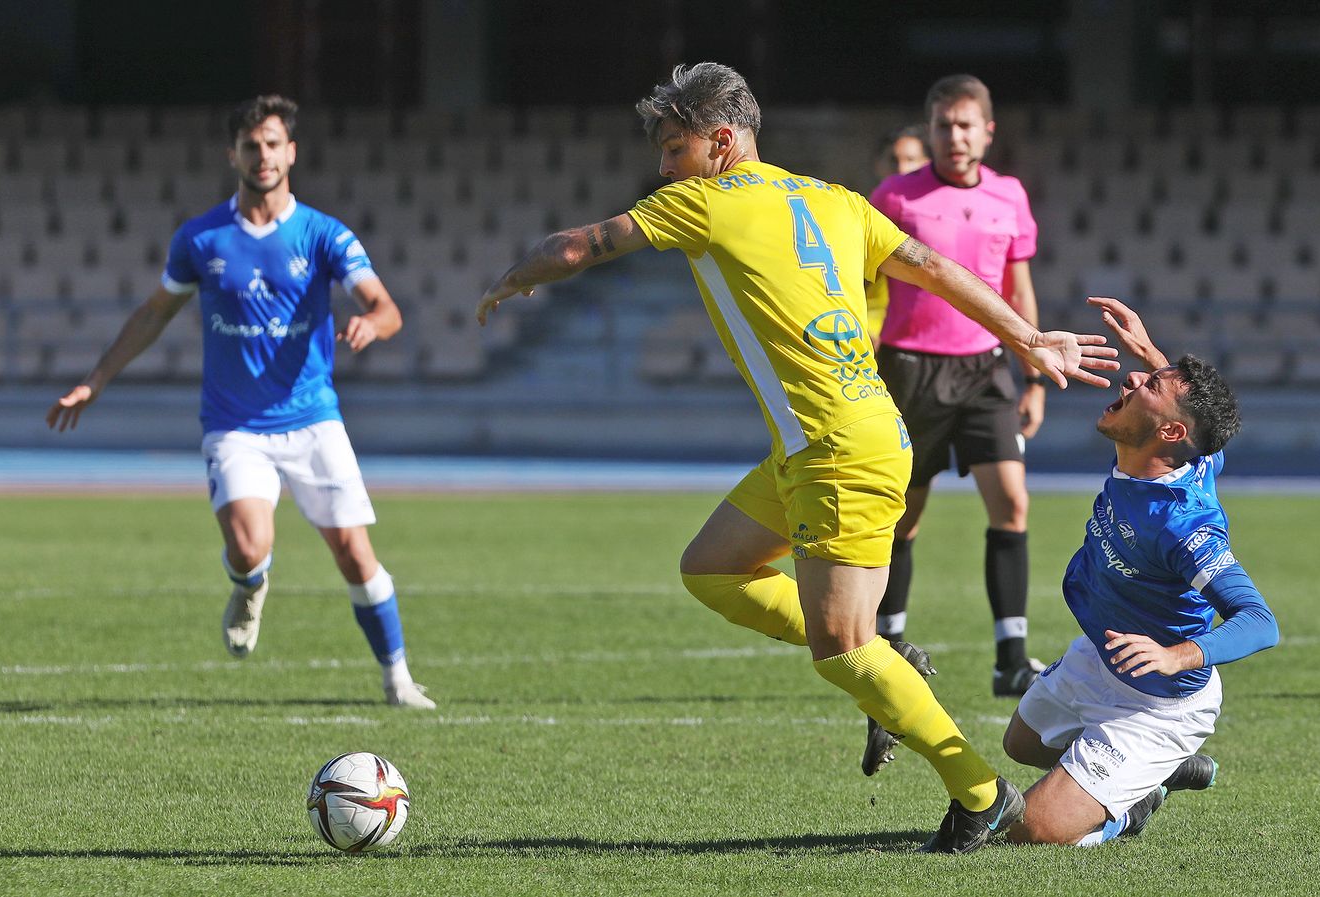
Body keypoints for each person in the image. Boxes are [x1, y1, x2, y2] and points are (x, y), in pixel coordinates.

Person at [476, 62, 1119, 853]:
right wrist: (1026, 336)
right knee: (711, 569)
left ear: (722, 142)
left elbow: (581, 246)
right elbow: (936, 269)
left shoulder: (704, 201)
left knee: (841, 648)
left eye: (674, 149)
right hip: (828, 439)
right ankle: (889, 660)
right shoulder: (835, 200)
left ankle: (980, 793)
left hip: (837, 449)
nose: (664, 169)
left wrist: (513, 278)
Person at [46, 95, 435, 710]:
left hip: (313, 418)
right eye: (251, 145)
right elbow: (153, 314)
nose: (262, 155)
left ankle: (398, 679)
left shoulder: (325, 234)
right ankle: (249, 584)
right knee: (249, 547)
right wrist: (96, 380)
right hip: (235, 425)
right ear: (233, 154)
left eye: (273, 144)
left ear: (292, 152)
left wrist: (371, 324)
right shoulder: (201, 238)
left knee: (354, 554)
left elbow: (386, 307)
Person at [1000, 295, 1278, 846]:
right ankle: (1155, 777)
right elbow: (1196, 426)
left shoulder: (1183, 526)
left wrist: (1175, 655)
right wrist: (1152, 353)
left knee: (1032, 830)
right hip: (1105, 652)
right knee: (1022, 745)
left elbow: (1259, 621)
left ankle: (1131, 807)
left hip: (1159, 700)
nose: (1131, 378)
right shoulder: (1176, 452)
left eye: (1148, 384)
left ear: (1168, 434)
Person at [867, 75, 1047, 717]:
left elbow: (1018, 290)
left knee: (1013, 505)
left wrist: (1032, 375)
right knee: (903, 517)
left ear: (987, 131)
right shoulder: (894, 196)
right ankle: (888, 647)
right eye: (943, 125)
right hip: (911, 372)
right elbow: (861, 283)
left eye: (966, 124)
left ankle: (1011, 658)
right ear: (930, 130)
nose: (954, 136)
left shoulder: (1009, 195)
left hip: (987, 372)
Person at [864, 124, 929, 344]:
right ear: (878, 164)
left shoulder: (932, 221)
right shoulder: (865, 213)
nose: (901, 168)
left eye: (911, 160)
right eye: (893, 160)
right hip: (874, 332)